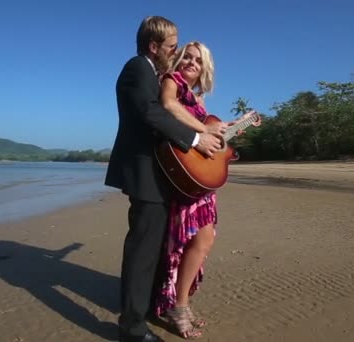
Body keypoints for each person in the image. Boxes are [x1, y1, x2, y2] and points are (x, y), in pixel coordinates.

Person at [105, 17, 227, 342]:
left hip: (160, 176)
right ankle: (131, 329)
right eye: (173, 46)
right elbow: (152, 112)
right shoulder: (137, 68)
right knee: (142, 251)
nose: (177, 51)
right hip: (144, 173)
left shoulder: (153, 72)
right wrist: (197, 139)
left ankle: (145, 308)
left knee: (156, 250)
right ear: (154, 46)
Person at [152, 41, 260, 339]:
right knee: (192, 242)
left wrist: (235, 125)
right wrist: (204, 131)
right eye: (186, 56)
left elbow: (211, 132)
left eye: (198, 61)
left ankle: (179, 303)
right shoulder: (170, 82)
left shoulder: (198, 102)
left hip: (200, 182)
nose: (190, 62)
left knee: (203, 242)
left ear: (204, 70)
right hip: (185, 179)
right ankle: (178, 306)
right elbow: (169, 107)